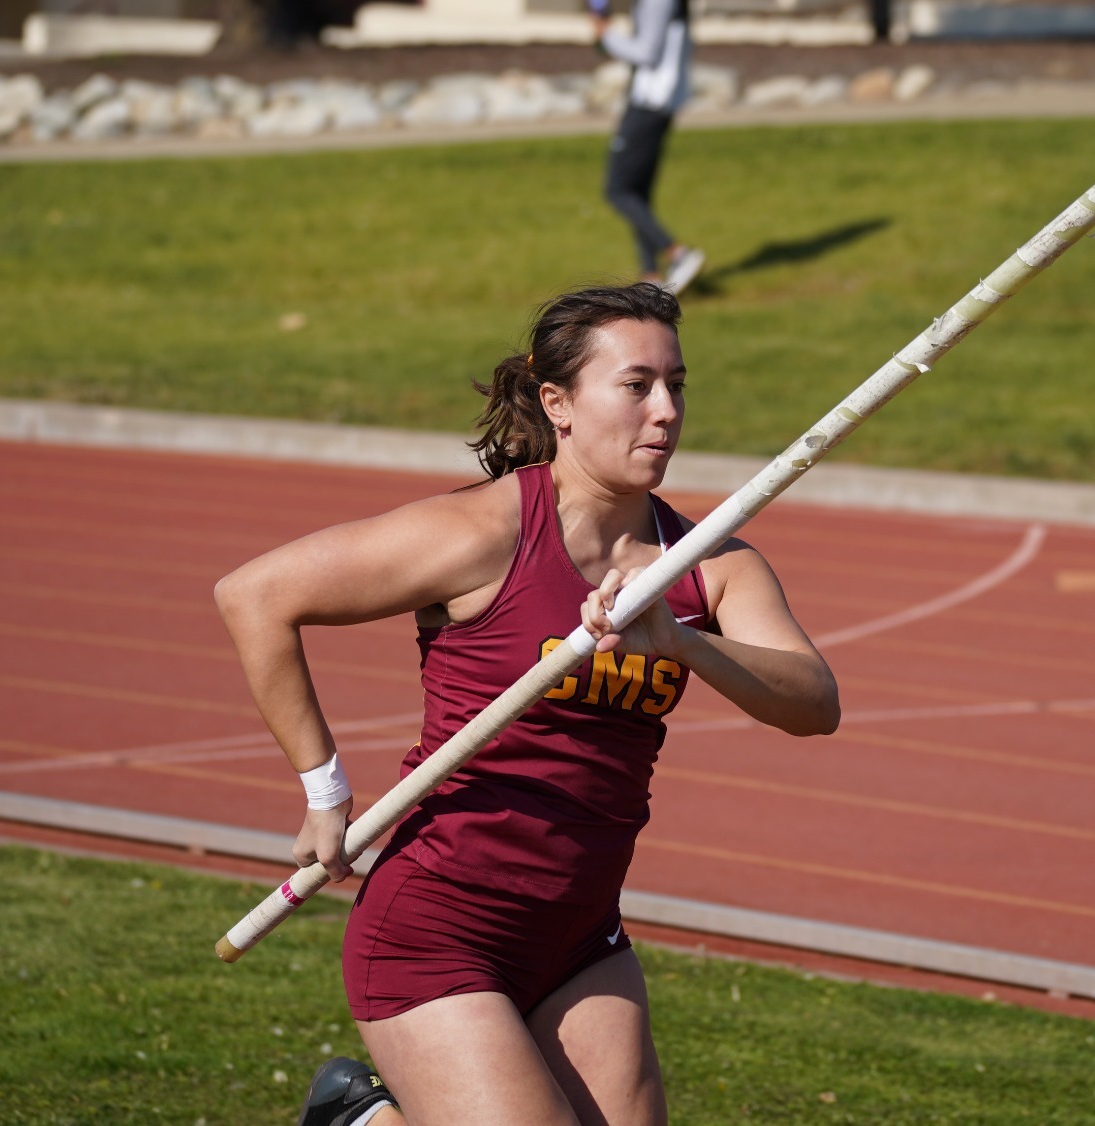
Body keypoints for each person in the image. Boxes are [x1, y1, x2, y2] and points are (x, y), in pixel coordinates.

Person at [217, 282, 840, 1125]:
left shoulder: (708, 565)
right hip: (438, 924)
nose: (665, 412)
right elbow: (255, 596)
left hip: (582, 933)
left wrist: (686, 642)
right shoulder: (485, 533)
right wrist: (325, 793)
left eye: (677, 385)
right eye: (636, 386)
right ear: (560, 404)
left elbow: (814, 703)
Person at [593, 0, 705, 294]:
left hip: (650, 104)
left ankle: (678, 254)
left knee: (618, 190)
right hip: (659, 103)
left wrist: (606, 34)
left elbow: (646, 52)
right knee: (638, 191)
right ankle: (650, 275)